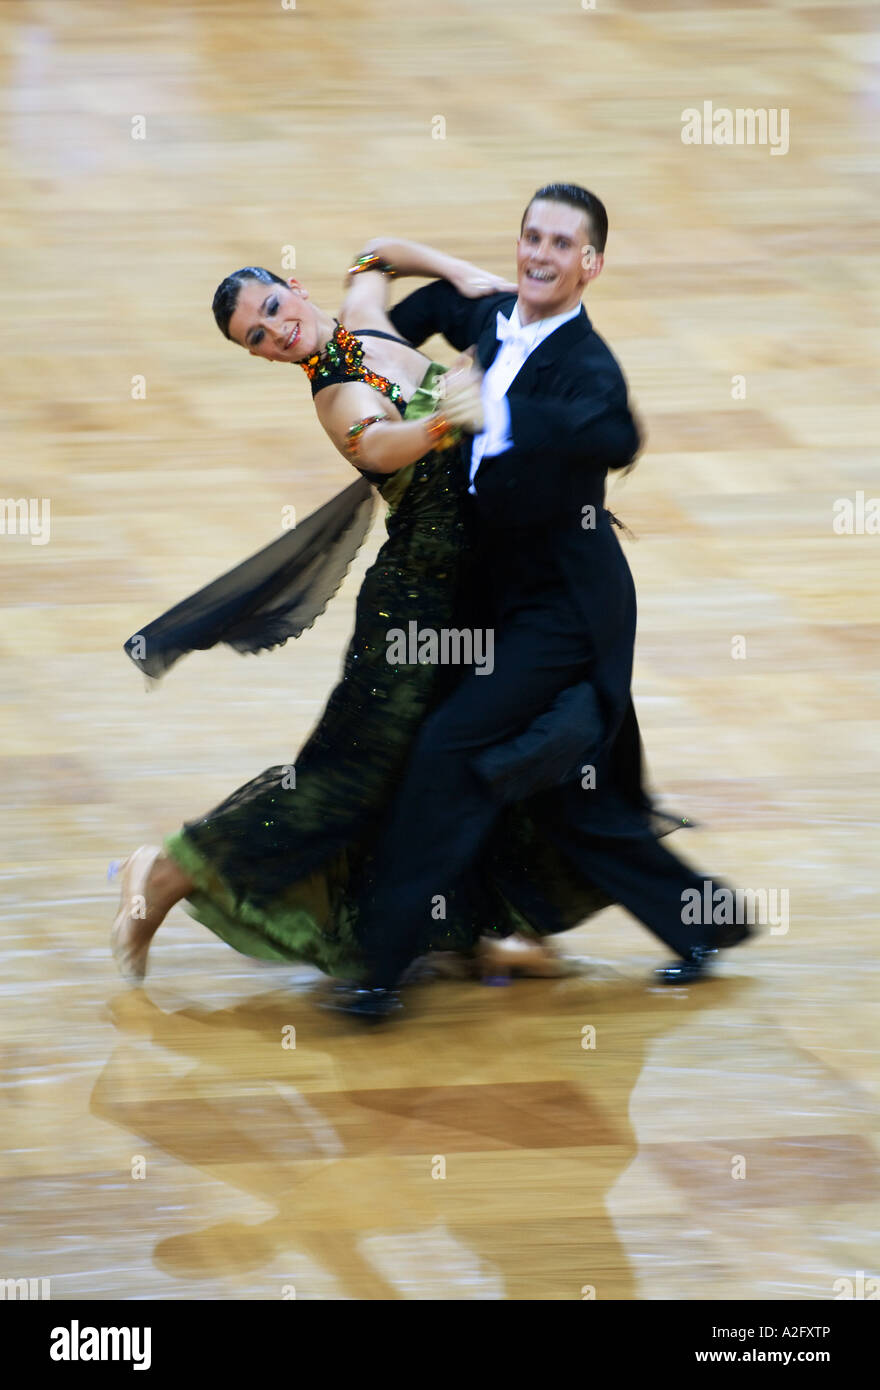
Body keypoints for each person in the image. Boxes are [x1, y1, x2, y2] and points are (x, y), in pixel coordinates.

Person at [110, 244, 614, 986]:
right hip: (415, 613)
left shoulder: (366, 322)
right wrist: (444, 419)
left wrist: (459, 271)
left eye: (273, 309)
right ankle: (169, 870)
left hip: (482, 595)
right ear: (259, 356)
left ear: (292, 288)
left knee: (483, 752)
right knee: (345, 781)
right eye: (257, 337)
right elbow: (379, 446)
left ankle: (497, 926)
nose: (276, 332)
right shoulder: (339, 394)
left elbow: (373, 257)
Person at [324, 183, 751, 1020]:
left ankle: (379, 969)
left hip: (563, 608)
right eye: (531, 238)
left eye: (561, 245)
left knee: (449, 748)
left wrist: (500, 408)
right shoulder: (487, 315)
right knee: (569, 789)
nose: (540, 255)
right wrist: (350, 378)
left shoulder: (588, 365)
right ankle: (706, 925)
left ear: (590, 264)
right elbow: (391, 320)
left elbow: (619, 436)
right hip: (487, 594)